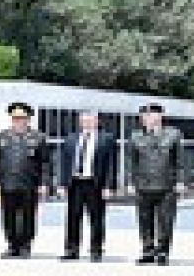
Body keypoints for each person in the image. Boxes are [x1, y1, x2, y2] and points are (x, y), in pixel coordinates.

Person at [0, 102, 51, 258]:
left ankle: (25, 246)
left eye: (22, 118)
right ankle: (12, 245)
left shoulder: (38, 137)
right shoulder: (1, 137)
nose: (18, 121)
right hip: (8, 183)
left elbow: (45, 163)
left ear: (28, 119)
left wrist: (44, 183)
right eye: (15, 118)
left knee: (28, 215)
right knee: (8, 215)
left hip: (29, 183)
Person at [127, 103, 186, 266]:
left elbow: (180, 160)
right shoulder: (135, 136)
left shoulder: (173, 134)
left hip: (167, 185)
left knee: (165, 220)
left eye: (149, 115)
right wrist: (131, 182)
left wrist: (180, 181)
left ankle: (163, 252)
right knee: (144, 220)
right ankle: (147, 250)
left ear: (159, 116)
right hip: (143, 184)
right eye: (143, 116)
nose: (145, 119)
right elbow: (132, 161)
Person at [58, 111, 117, 262]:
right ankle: (71, 250)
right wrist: (62, 184)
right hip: (75, 183)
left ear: (97, 121)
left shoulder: (106, 138)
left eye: (90, 120)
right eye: (84, 121)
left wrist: (109, 186)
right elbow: (64, 163)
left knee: (96, 218)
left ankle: (96, 250)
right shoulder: (71, 138)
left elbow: (111, 164)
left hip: (95, 183)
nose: (87, 123)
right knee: (72, 217)